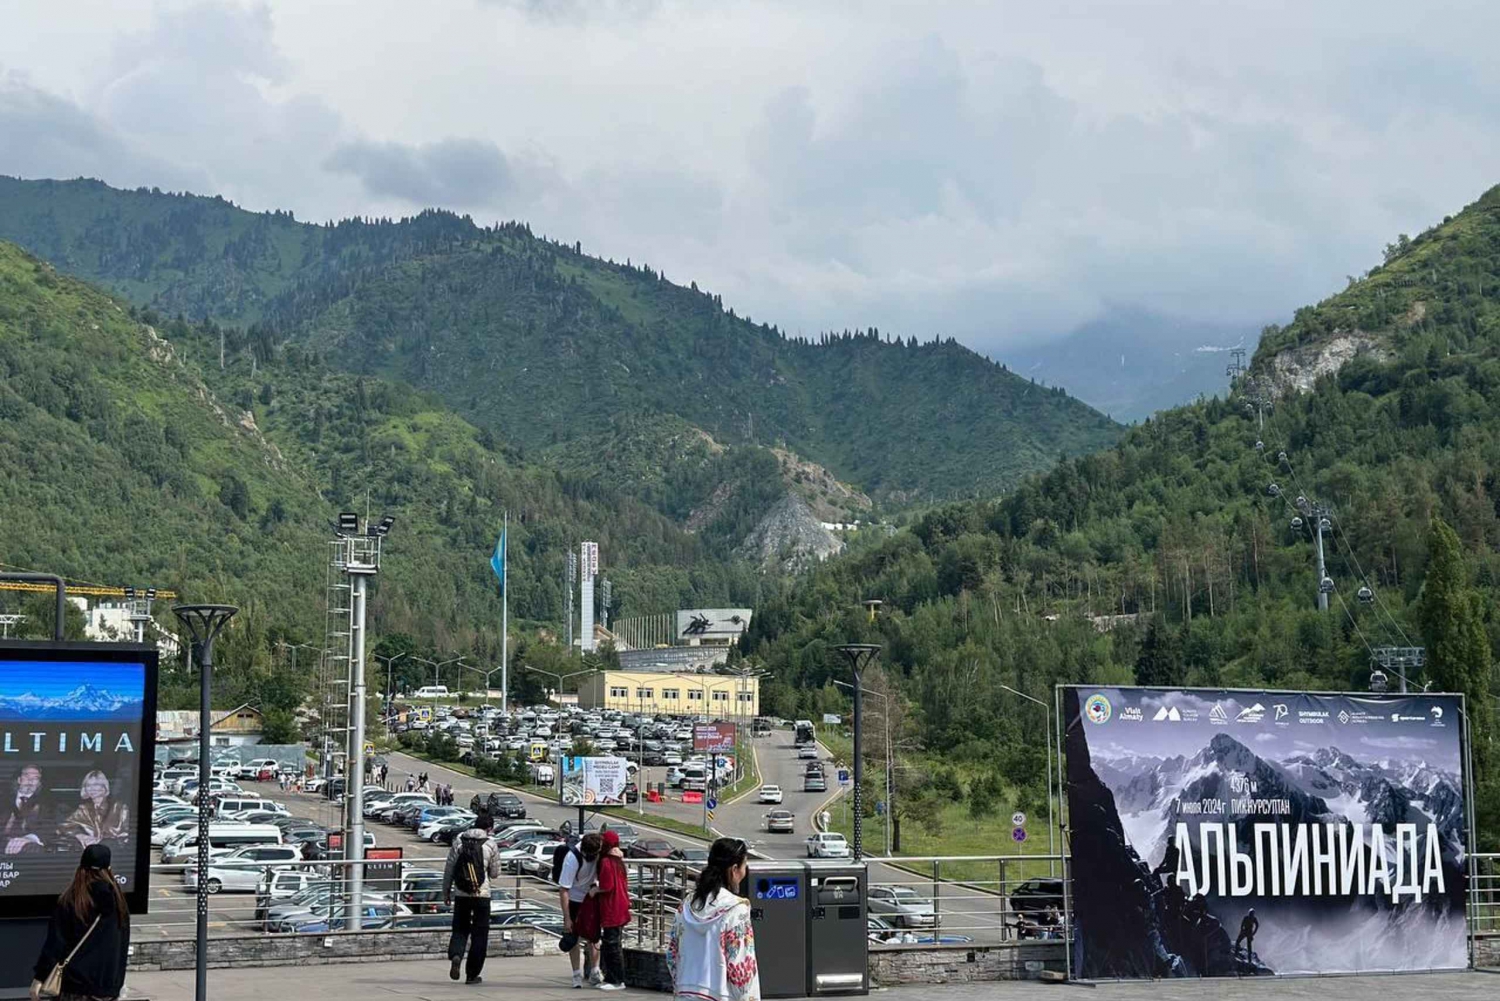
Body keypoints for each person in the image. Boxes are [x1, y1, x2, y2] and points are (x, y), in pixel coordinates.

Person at [30, 844, 130, 1001]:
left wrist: (40, 978)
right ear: (109, 867)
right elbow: (122, 946)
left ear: (81, 866)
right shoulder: (119, 903)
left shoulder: (72, 900)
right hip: (107, 989)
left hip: (74, 985)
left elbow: (55, 944)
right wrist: (116, 986)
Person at [668, 837, 759, 1001]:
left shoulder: (687, 905)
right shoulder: (736, 909)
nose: (745, 872)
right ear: (734, 869)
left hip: (686, 994)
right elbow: (741, 971)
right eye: (745, 866)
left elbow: (672, 956)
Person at [443, 811, 502, 985]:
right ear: (489, 828)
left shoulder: (459, 841)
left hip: (461, 893)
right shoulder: (490, 845)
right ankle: (472, 974)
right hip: (481, 894)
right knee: (480, 934)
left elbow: (449, 869)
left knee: (460, 928)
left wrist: (446, 892)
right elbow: (495, 873)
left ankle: (456, 955)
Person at [557, 833, 603, 988]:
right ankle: (576, 975)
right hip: (574, 900)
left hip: (589, 898)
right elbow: (563, 889)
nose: (594, 857)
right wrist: (567, 917)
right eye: (592, 854)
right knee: (573, 939)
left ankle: (595, 971)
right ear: (585, 850)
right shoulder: (572, 858)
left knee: (594, 936)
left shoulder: (598, 852)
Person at [594, 830, 631, 991]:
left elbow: (607, 886)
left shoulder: (606, 862)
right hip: (621, 905)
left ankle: (617, 980)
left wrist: (595, 890)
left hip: (612, 908)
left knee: (612, 945)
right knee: (613, 944)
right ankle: (611, 977)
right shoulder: (618, 861)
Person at [59, 771, 129, 851]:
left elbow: (127, 835)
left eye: (96, 785)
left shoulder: (119, 808)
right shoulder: (83, 809)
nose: (92, 789)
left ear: (104, 787)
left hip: (114, 853)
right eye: (88, 785)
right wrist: (81, 836)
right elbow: (64, 827)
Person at [3, 764, 46, 855]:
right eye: (26, 776)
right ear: (19, 780)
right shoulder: (3, 800)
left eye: (36, 778)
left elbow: (52, 827)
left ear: (39, 784)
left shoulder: (48, 805)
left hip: (29, 846)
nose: (30, 780)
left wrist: (30, 838)